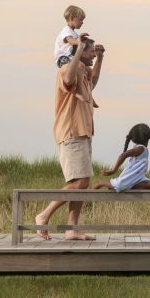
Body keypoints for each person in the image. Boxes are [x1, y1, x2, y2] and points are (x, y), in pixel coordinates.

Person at [36, 34, 105, 241]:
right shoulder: (67, 68)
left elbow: (92, 83)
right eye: (91, 52)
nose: (93, 55)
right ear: (80, 51)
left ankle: (72, 229)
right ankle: (44, 214)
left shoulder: (83, 71)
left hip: (83, 131)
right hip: (71, 131)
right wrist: (78, 48)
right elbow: (67, 80)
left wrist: (101, 59)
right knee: (80, 182)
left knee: (82, 181)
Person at [53, 5, 98, 106]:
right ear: (72, 18)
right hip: (63, 58)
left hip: (70, 57)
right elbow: (70, 41)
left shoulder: (73, 32)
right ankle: (78, 91)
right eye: (80, 19)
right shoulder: (66, 31)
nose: (82, 22)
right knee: (80, 66)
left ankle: (89, 92)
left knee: (89, 70)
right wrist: (79, 42)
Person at [92, 123, 150, 191]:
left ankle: (127, 186)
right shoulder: (140, 148)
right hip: (131, 175)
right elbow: (123, 155)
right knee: (120, 186)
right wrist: (113, 170)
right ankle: (101, 183)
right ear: (148, 138)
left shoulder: (142, 149)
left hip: (138, 177)